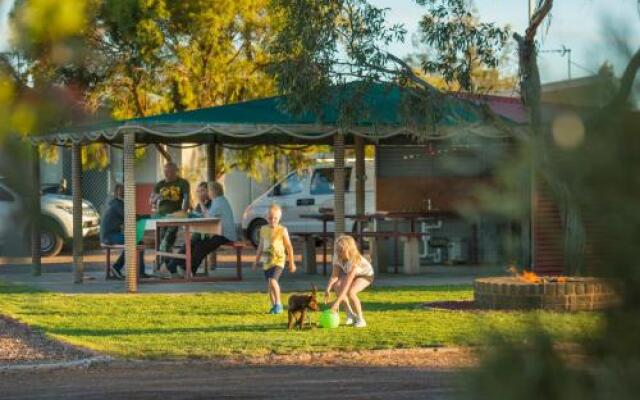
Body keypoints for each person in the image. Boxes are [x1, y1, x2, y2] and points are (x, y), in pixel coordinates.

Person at [166, 181, 237, 277]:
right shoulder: (218, 200)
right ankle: (182, 268)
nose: (207, 193)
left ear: (213, 191)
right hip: (217, 232)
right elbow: (206, 216)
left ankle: (186, 269)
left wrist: (200, 202)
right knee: (195, 243)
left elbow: (208, 217)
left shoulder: (218, 201)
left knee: (200, 246)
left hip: (224, 235)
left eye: (208, 190)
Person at [252, 204, 296, 314]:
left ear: (279, 218)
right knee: (269, 285)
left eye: (275, 218)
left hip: (279, 260)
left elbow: (289, 247)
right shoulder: (263, 229)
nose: (272, 220)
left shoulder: (282, 230)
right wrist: (256, 261)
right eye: (270, 218)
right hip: (267, 260)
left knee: (273, 280)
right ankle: (274, 306)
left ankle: (279, 304)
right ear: (267, 217)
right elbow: (261, 247)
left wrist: (292, 262)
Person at [100, 184, 149, 279]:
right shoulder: (116, 204)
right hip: (109, 236)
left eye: (124, 191)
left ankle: (139, 272)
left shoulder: (119, 203)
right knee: (136, 242)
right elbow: (130, 216)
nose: (122, 192)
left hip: (112, 234)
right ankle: (117, 267)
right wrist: (147, 216)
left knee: (138, 242)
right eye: (120, 190)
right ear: (115, 192)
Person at [324, 235, 374, 328]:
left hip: (365, 275)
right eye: (337, 250)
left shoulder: (354, 260)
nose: (338, 253)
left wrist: (337, 303)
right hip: (349, 274)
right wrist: (328, 288)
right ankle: (350, 314)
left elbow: (347, 285)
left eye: (340, 251)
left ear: (349, 250)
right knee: (337, 285)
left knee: (351, 292)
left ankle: (361, 319)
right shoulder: (337, 256)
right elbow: (334, 276)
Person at [151, 162, 190, 266]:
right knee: (161, 241)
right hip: (161, 216)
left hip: (175, 215)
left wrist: (183, 212)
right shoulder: (160, 184)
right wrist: (155, 198)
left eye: (170, 171)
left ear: (175, 171)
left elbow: (186, 198)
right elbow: (151, 201)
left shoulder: (182, 183)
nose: (167, 173)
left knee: (168, 240)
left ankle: (166, 265)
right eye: (165, 171)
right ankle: (163, 264)